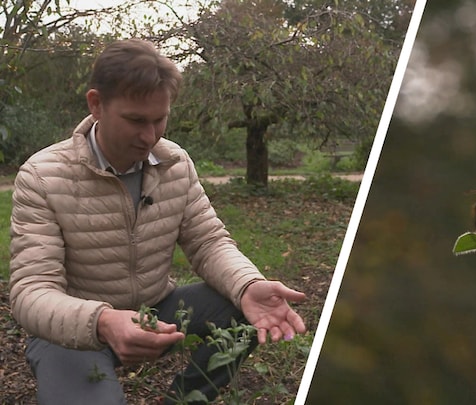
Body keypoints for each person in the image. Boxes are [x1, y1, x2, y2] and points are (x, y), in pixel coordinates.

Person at [8, 38, 307, 404]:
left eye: (159, 119)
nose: (150, 137)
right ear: (96, 104)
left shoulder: (175, 163)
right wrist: (103, 320)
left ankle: (184, 399)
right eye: (135, 121)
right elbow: (30, 292)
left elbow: (208, 242)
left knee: (245, 302)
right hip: (74, 333)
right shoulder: (42, 177)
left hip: (156, 312)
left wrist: (247, 284)